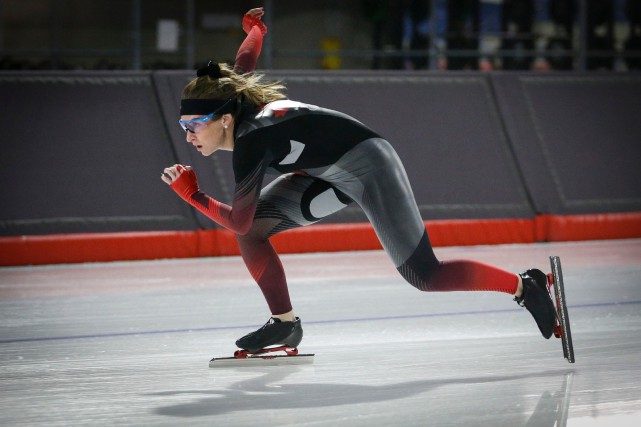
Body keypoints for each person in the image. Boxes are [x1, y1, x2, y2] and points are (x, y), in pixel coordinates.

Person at [161, 7, 556, 354]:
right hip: (322, 173)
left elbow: (239, 219)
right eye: (183, 126)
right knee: (251, 234)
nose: (188, 136)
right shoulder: (233, 99)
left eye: (194, 126)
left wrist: (193, 195)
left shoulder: (251, 139)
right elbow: (240, 65)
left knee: (426, 275)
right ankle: (284, 323)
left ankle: (525, 286)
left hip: (370, 166)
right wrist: (256, 33)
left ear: (225, 120)